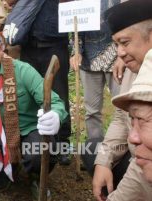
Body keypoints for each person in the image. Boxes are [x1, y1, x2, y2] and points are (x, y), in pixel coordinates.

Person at [0, 25, 67, 200]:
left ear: (0, 49)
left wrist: (54, 115)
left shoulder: (22, 71)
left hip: (25, 133)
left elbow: (53, 101)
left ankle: (35, 177)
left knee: (39, 152)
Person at [83, 0, 152, 200]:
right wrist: (103, 162)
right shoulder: (133, 68)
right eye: (116, 44)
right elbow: (122, 117)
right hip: (136, 160)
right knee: (93, 150)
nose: (119, 53)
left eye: (125, 43)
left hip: (142, 166)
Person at [14, 0, 72, 165]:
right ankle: (35, 138)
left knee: (60, 94)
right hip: (28, 46)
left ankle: (62, 144)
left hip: (55, 45)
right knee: (30, 93)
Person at [70, 0, 121, 140]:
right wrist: (76, 51)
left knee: (123, 108)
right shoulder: (82, 1)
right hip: (88, 60)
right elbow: (77, 28)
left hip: (117, 58)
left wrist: (123, 55)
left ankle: (123, 148)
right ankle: (95, 149)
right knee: (92, 112)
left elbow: (127, 25)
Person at [109, 49, 152, 200]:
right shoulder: (142, 164)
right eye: (133, 120)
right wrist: (103, 159)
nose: (132, 137)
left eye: (143, 120)